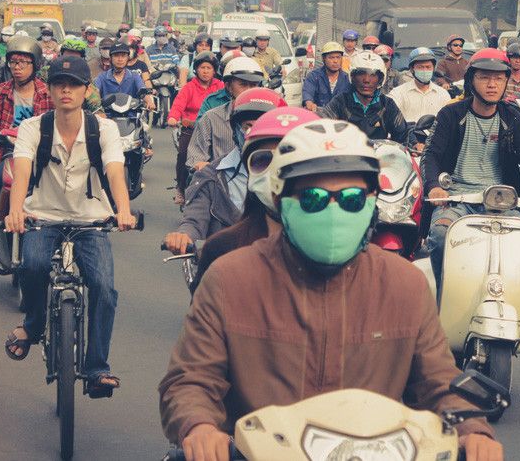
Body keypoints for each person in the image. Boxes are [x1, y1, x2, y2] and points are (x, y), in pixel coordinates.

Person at [159, 119, 502, 461]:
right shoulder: (229, 279)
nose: (334, 212)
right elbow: (191, 380)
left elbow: (439, 381)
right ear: (280, 200)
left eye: (352, 199)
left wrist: (473, 432)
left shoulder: (404, 284)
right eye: (312, 198)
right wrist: (200, 427)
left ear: (372, 202)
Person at [3, 55, 137, 399]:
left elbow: (114, 171)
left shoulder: (103, 128)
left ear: (85, 91)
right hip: (42, 217)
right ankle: (33, 327)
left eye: (74, 84)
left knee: (104, 288)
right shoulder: (34, 127)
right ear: (49, 89)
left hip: (91, 220)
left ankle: (97, 368)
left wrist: (123, 210)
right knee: (31, 266)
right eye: (60, 83)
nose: (66, 89)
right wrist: (15, 211)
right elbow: (21, 171)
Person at [423, 48, 520, 289]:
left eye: (498, 78)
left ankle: (519, 305)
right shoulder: (450, 115)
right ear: (471, 80)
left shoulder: (513, 119)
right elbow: (431, 155)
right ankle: (442, 302)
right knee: (440, 237)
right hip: (457, 201)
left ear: (506, 81)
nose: (492, 85)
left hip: (501, 203)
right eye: (484, 77)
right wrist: (435, 187)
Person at [189, 107, 321, 288]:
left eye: (290, 160)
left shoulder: (347, 254)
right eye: (263, 160)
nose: (275, 171)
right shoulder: (221, 248)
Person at [162, 89, 286, 258]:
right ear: (235, 130)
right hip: (223, 269)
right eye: (248, 126)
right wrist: (184, 236)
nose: (255, 133)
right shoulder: (210, 176)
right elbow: (194, 220)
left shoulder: (294, 176)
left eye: (262, 125)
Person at [0, 37, 52, 228]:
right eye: (13, 62)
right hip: (9, 155)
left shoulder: (48, 94)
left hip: (41, 155)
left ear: (36, 65)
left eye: (23, 62)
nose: (17, 67)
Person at [186, 57, 265, 171]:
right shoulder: (211, 118)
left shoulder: (269, 118)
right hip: (221, 182)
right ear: (228, 87)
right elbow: (195, 156)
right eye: (243, 84)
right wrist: (201, 166)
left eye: (253, 85)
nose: (249, 90)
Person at [168, 52, 224, 202]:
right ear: (196, 70)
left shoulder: (221, 86)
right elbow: (178, 104)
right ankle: (180, 188)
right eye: (202, 67)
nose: (205, 71)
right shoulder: (189, 88)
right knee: (183, 156)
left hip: (216, 129)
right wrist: (173, 117)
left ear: (214, 70)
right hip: (191, 129)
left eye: (209, 68)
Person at [320, 51, 410, 143]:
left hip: (378, 156)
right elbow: (322, 129)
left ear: (381, 79)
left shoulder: (387, 104)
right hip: (347, 155)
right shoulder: (340, 101)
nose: (366, 80)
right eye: (361, 74)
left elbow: (402, 136)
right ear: (353, 77)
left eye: (373, 75)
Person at [388, 47, 451, 123]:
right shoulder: (398, 93)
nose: (425, 70)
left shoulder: (443, 94)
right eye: (420, 67)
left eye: (428, 67)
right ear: (412, 69)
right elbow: (388, 115)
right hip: (407, 134)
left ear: (433, 68)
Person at [95, 41, 155, 112]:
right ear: (110, 58)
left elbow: (142, 91)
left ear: (128, 58)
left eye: (123, 55)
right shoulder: (101, 77)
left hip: (131, 117)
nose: (120, 59)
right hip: (108, 117)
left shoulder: (134, 76)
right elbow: (95, 93)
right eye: (116, 55)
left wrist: (149, 101)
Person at [302, 41, 350, 111]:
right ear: (323, 59)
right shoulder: (314, 76)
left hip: (340, 118)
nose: (335, 61)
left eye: (338, 57)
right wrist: (309, 103)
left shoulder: (347, 78)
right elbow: (307, 93)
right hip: (319, 117)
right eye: (331, 58)